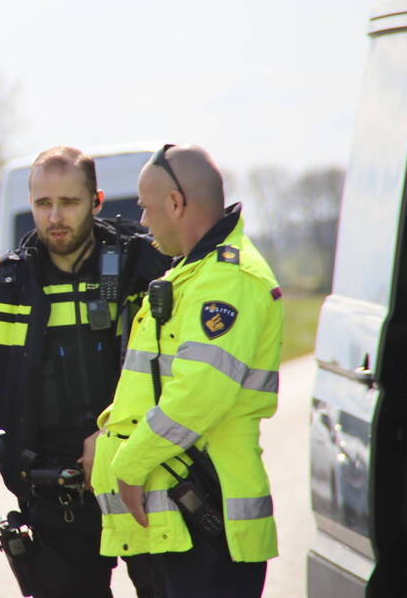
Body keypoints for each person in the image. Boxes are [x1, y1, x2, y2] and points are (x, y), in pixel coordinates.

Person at [0, 146, 170, 597]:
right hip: (52, 496)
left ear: (97, 201)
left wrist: (114, 439)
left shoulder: (142, 267)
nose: (54, 217)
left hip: (140, 480)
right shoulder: (5, 284)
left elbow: (176, 373)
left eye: (69, 203)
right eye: (42, 204)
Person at [88, 144, 281, 597]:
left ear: (175, 204)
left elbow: (198, 396)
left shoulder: (227, 280)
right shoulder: (194, 274)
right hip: (183, 522)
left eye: (146, 207)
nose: (143, 221)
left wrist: (129, 464)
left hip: (206, 520)